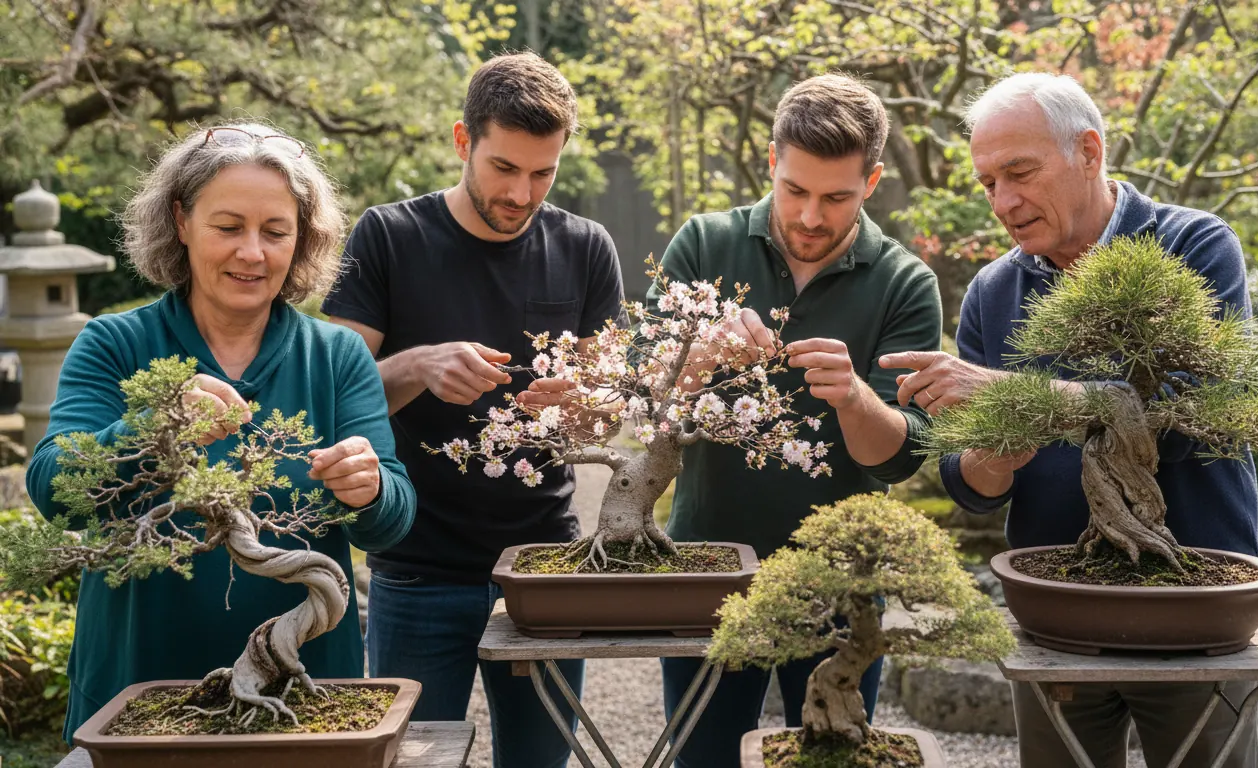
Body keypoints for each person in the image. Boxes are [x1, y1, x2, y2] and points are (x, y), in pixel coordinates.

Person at [880, 72, 1258, 768]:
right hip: (1057, 602)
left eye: (1020, 173)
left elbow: (1199, 410)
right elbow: (969, 485)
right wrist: (997, 455)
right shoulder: (996, 290)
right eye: (988, 182)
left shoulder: (1194, 245)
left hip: (1191, 594)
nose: (1003, 202)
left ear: (1089, 152)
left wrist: (1018, 392)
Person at [27, 123, 417, 742]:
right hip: (137, 690)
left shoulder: (336, 356)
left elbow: (390, 520)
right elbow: (54, 488)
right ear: (181, 221)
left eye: (275, 231)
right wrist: (157, 426)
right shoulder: (115, 344)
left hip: (303, 695)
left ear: (302, 237)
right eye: (228, 227)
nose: (252, 253)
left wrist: (370, 488)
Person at [321, 52, 625, 768]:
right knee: (413, 759)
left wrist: (584, 405)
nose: (522, 193)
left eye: (543, 173)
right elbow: (333, 397)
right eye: (504, 168)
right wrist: (417, 366)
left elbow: (609, 415)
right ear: (464, 141)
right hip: (416, 564)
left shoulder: (586, 247)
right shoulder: (388, 236)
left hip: (544, 564)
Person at [650, 73, 943, 767]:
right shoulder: (704, 244)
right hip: (709, 568)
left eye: (836, 198)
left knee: (831, 754)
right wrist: (702, 353)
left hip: (841, 582)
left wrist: (853, 398)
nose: (811, 216)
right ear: (772, 163)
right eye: (795, 190)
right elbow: (648, 401)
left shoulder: (905, 282)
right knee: (702, 757)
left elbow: (901, 458)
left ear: (872, 182)